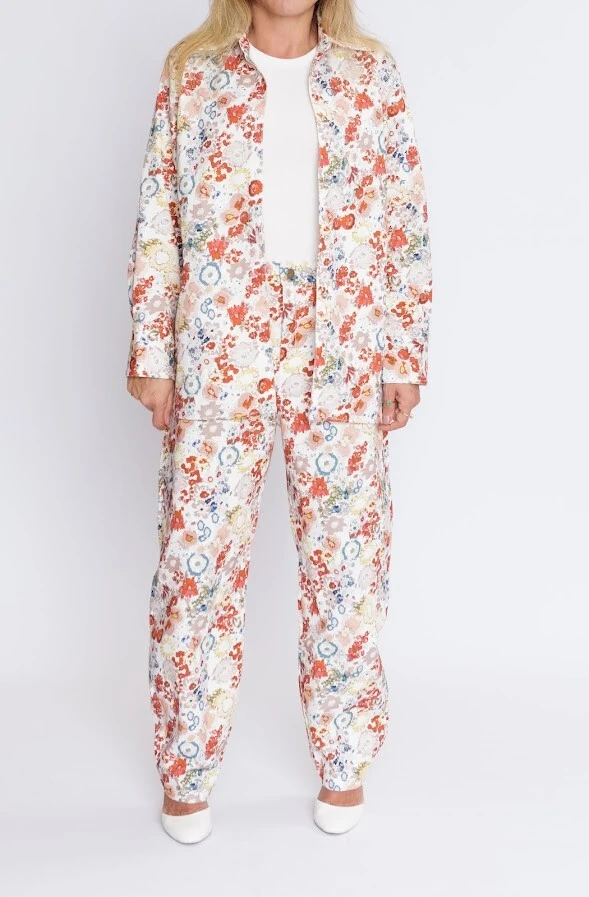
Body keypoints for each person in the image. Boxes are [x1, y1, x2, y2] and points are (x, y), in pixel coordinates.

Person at [126, 0, 432, 843]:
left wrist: (402, 354)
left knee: (346, 566)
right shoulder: (191, 75)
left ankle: (343, 759)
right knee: (196, 564)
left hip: (343, 343)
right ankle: (186, 768)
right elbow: (158, 219)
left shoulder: (370, 76)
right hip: (221, 342)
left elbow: (402, 221)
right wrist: (152, 350)